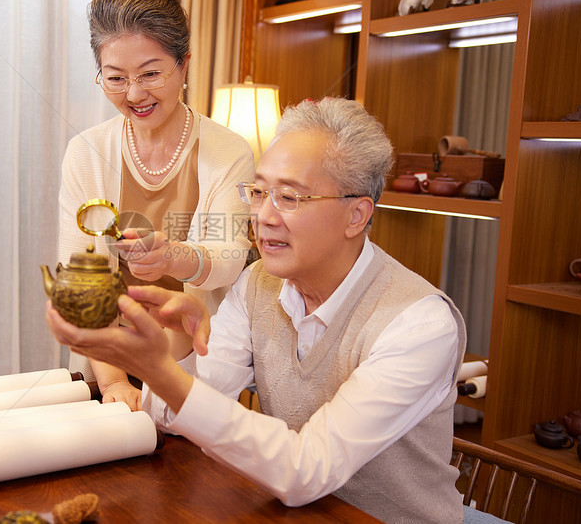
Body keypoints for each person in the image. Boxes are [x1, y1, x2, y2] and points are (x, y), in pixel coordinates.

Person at [47, 96, 467, 523]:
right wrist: (175, 357)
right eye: (260, 192)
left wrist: (159, 371)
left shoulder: (418, 323)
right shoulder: (260, 284)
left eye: (289, 197)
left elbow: (307, 469)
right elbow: (170, 419)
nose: (263, 216)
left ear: (356, 215)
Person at [57, 0, 254, 412]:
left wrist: (172, 258)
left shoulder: (228, 152)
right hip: (106, 362)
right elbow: (81, 281)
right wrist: (112, 383)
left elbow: (229, 258)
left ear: (183, 65)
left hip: (197, 371)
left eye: (150, 74)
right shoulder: (86, 153)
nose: (134, 94)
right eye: (115, 78)